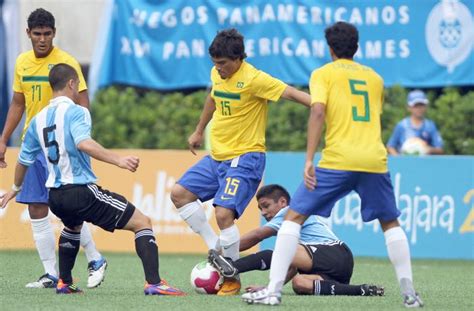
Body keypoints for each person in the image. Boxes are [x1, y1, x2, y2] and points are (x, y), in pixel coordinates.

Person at [241, 22, 424, 308]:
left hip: (338, 159)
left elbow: (317, 111)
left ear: (329, 48)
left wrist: (309, 158)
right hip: (374, 160)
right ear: (357, 47)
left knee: (292, 219)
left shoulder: (323, 74)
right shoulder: (375, 78)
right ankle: (410, 294)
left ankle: (273, 292)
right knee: (390, 223)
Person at [0, 63, 185, 296]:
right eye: (77, 84)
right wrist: (119, 160)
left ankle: (64, 282)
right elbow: (83, 143)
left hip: (54, 196)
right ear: (71, 83)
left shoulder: (37, 119)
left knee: (72, 226)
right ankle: (155, 283)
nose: (78, 89)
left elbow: (23, 161)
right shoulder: (78, 111)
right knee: (142, 222)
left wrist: (15, 188)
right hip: (80, 191)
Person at [170, 28, 311, 296]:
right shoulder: (217, 73)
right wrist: (199, 130)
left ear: (238, 58)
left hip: (246, 157)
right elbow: (213, 97)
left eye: (223, 64)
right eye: (215, 64)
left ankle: (231, 278)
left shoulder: (254, 79)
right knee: (179, 194)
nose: (218, 69)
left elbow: (291, 93)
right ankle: (215, 249)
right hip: (218, 156)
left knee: (223, 214)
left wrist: (322, 108)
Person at [0, 8, 107, 289]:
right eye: (37, 34)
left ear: (54, 34)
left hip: (60, 148)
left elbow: (83, 105)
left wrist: (78, 139)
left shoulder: (66, 64)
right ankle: (50, 274)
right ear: (28, 34)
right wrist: (3, 138)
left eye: (47, 34)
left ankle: (95, 257)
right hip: (33, 144)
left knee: (66, 206)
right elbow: (18, 104)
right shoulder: (22, 62)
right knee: (37, 207)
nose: (43, 39)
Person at [209, 184, 384, 297]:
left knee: (279, 252)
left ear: (283, 202)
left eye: (266, 205)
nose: (263, 212)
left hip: (334, 252)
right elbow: (292, 266)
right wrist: (269, 287)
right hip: (338, 267)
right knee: (299, 284)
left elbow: (258, 235)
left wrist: (225, 251)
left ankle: (233, 267)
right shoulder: (292, 225)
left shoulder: (289, 211)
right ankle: (361, 290)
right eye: (260, 208)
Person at [387, 90, 444, 155]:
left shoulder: (430, 126)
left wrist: (428, 149)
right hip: (405, 163)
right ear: (409, 107)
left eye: (422, 105)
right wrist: (399, 159)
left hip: (425, 163)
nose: (419, 108)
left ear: (426, 106)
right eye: (416, 106)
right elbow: (390, 146)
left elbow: (440, 149)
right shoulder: (401, 125)